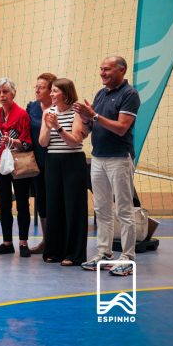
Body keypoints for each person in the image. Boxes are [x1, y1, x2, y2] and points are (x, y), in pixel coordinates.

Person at [74, 56, 140, 276]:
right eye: (101, 69)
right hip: (98, 158)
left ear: (122, 70)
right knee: (102, 209)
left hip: (119, 159)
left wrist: (94, 115)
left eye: (107, 69)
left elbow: (121, 128)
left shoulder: (130, 94)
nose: (102, 73)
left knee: (124, 210)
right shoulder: (101, 94)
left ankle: (128, 257)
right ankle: (104, 253)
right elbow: (93, 126)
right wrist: (85, 118)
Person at [38, 78, 89, 266]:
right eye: (51, 90)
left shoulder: (76, 113)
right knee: (54, 206)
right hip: (53, 162)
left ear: (66, 93)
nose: (51, 94)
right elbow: (43, 142)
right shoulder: (48, 112)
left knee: (73, 208)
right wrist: (48, 126)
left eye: (55, 91)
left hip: (72, 162)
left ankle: (74, 254)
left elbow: (75, 141)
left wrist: (58, 127)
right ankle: (54, 251)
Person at [0, 77, 33, 257]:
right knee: (4, 204)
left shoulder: (22, 115)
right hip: (0, 165)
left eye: (5, 92)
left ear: (13, 93)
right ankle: (7, 243)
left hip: (19, 164)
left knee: (22, 203)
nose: (2, 95)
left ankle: (23, 243)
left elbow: (27, 143)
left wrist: (12, 141)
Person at [25, 72, 56, 254]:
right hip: (37, 163)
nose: (37, 90)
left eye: (41, 87)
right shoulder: (32, 107)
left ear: (51, 91)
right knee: (42, 202)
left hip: (55, 161)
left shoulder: (59, 108)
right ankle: (47, 241)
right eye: (36, 86)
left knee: (56, 202)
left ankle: (59, 241)